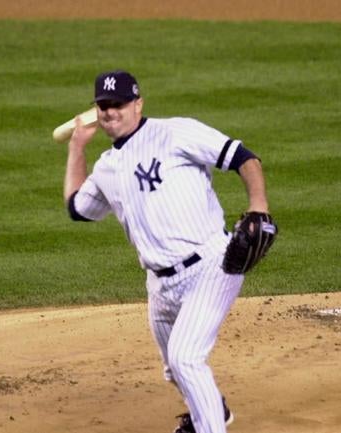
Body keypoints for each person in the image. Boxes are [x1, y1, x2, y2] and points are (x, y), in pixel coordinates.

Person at [63, 70, 271, 433]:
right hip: (160, 285)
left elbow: (243, 157)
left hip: (211, 264)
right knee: (175, 370)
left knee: (186, 358)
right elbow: (77, 208)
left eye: (118, 104)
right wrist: (77, 148)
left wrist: (258, 206)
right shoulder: (106, 167)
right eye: (103, 106)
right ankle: (213, 410)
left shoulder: (176, 132)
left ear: (138, 104)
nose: (110, 112)